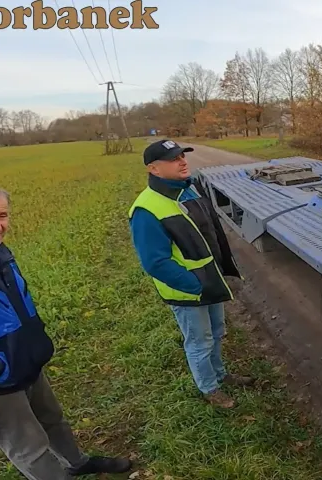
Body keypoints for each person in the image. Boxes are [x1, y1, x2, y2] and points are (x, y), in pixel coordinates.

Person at [0, 183, 132, 479]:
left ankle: (76, 463)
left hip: (24, 359)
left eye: (2, 215)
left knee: (52, 420)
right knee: (29, 446)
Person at [128, 139, 253, 409]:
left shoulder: (189, 191)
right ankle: (209, 388)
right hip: (189, 290)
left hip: (209, 281)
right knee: (200, 341)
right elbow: (155, 263)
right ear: (154, 169)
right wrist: (196, 285)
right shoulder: (146, 210)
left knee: (217, 332)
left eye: (182, 156)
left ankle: (220, 374)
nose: (183, 161)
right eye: (174, 159)